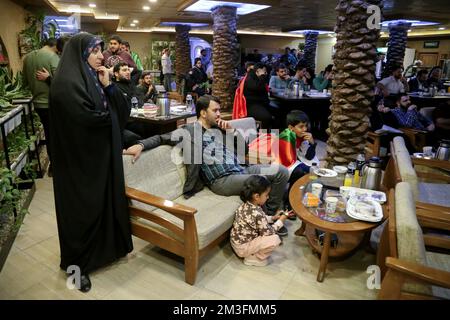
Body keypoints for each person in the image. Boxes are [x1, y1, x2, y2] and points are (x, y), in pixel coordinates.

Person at [49, 33, 133, 292]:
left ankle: (101, 255)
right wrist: (111, 118)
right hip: (78, 164)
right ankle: (76, 269)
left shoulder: (92, 77)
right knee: (80, 214)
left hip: (98, 158)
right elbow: (86, 119)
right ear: (79, 53)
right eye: (95, 51)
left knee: (101, 207)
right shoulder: (66, 83)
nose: (101, 56)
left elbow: (121, 109)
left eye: (100, 50)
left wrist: (109, 86)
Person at [123, 95, 289, 222]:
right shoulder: (188, 131)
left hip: (240, 169)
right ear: (203, 113)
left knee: (281, 171)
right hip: (222, 180)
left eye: (219, 110)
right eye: (215, 110)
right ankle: (269, 218)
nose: (219, 114)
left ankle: (272, 211)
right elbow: (161, 138)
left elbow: (243, 150)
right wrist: (141, 145)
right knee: (260, 181)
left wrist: (232, 131)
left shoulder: (221, 128)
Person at [22, 38, 60, 175]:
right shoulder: (53, 57)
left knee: (49, 134)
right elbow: (61, 83)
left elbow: (24, 82)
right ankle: (57, 166)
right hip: (52, 103)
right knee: (57, 136)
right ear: (55, 46)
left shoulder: (28, 57)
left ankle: (53, 166)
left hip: (38, 103)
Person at [230, 175, 287, 266]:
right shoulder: (257, 212)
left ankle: (251, 254)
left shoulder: (245, 205)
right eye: (266, 195)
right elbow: (269, 232)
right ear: (257, 196)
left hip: (236, 243)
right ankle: (253, 257)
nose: (268, 197)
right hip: (243, 248)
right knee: (275, 239)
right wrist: (281, 221)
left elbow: (259, 220)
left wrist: (273, 218)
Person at [112, 62, 143, 148]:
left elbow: (141, 101)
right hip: (125, 123)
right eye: (124, 70)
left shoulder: (131, 84)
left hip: (138, 118)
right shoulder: (113, 87)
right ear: (116, 74)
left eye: (129, 70)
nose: (128, 72)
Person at [244, 63, 276, 129]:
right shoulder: (250, 77)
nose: (265, 73)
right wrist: (262, 76)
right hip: (252, 105)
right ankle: (264, 137)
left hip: (262, 104)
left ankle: (274, 135)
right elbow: (257, 87)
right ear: (258, 71)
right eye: (264, 71)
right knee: (266, 117)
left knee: (280, 112)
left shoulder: (261, 78)